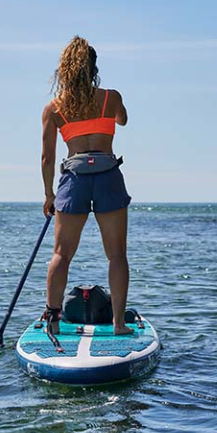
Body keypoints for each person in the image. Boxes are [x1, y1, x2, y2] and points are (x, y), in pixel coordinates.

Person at [40, 36, 133, 336]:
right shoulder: (111, 98)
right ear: (93, 69)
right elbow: (123, 120)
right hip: (107, 175)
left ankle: (53, 320)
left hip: (74, 178)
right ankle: (118, 324)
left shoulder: (54, 108)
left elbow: (47, 157)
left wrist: (49, 194)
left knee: (61, 254)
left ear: (65, 71)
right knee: (116, 255)